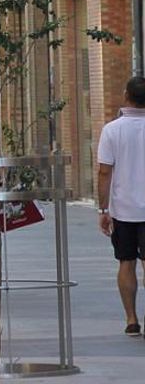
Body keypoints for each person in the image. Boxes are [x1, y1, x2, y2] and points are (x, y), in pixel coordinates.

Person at [97, 75, 145, 335]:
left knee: (125, 261)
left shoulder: (112, 130)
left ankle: (131, 319)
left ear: (127, 95)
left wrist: (103, 210)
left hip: (123, 209)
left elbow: (105, 172)